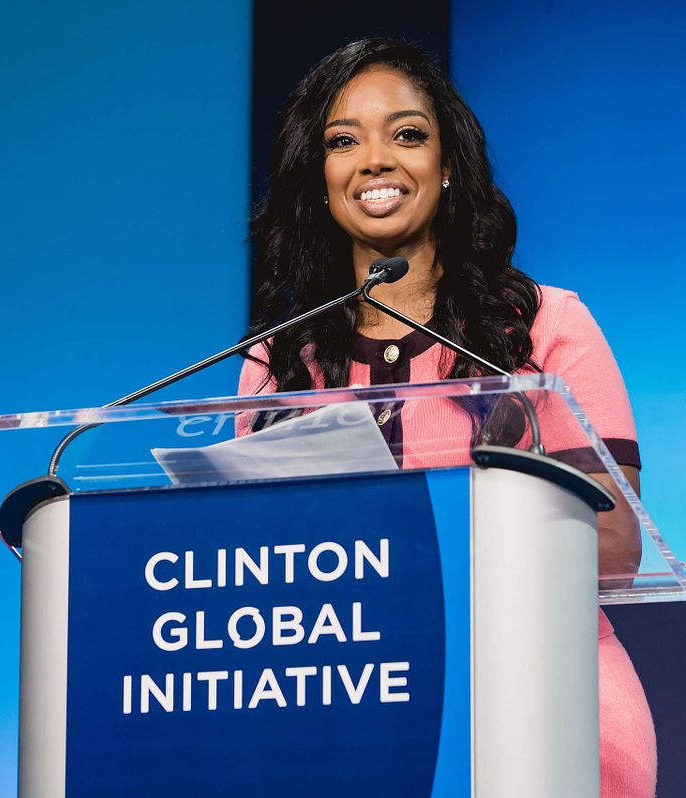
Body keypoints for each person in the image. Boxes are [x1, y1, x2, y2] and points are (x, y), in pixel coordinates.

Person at [237, 38, 657, 797]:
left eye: (407, 134)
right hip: (342, 716)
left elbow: (616, 541)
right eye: (343, 141)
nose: (375, 161)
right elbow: (254, 573)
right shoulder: (278, 363)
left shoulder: (544, 326)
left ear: (449, 164)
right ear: (319, 177)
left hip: (545, 700)